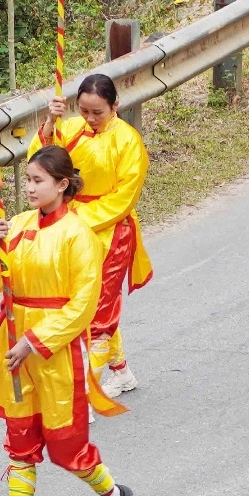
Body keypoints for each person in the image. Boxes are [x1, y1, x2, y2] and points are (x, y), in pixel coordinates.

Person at [0, 146, 136, 496]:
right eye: (27, 180)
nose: (29, 188)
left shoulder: (79, 235)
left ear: (62, 184)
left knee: (68, 450)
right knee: (20, 445)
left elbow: (83, 305)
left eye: (37, 181)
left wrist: (34, 340)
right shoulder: (15, 226)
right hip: (12, 346)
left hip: (55, 352)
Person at [29, 74, 152, 398]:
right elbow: (42, 160)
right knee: (83, 304)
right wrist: (51, 121)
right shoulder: (69, 130)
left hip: (112, 233)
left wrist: (78, 218)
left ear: (115, 106)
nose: (90, 118)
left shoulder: (128, 142)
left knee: (99, 307)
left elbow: (123, 198)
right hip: (74, 232)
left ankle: (83, 391)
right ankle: (120, 371)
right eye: (84, 110)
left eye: (97, 112)